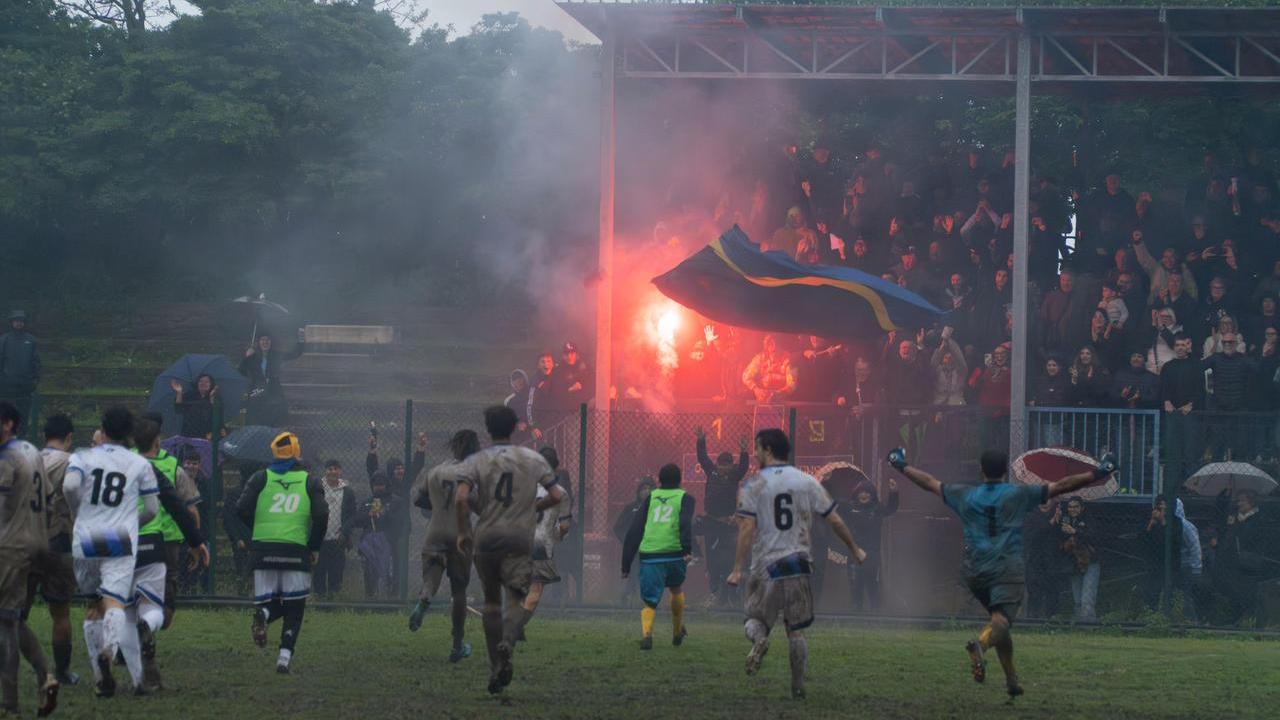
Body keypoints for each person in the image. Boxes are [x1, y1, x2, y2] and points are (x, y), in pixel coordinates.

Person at [886, 445, 1116, 697]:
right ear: (1005, 471)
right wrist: (1099, 472)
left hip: (975, 569)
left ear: (981, 470)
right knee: (1002, 620)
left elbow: (929, 482)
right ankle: (981, 644)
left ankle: (1011, 680)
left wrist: (900, 465)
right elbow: (1062, 485)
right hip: (1006, 567)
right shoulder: (1017, 494)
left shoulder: (965, 495)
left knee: (1000, 621)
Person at [727, 429, 867, 700]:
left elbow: (746, 528)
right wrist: (855, 549)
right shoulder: (807, 481)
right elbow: (834, 519)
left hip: (766, 565)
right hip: (797, 564)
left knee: (755, 620)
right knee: (796, 631)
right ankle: (798, 685)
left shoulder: (753, 485)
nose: (755, 453)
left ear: (768, 450)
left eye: (757, 448)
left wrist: (737, 568)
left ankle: (760, 641)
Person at [454, 405, 564, 695]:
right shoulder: (532, 458)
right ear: (515, 427)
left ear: (488, 429)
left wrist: (464, 530)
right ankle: (508, 643)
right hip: (518, 537)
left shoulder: (477, 460)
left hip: (487, 537)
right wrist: (532, 507)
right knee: (515, 598)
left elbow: (462, 497)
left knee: (491, 603)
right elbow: (556, 495)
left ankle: (495, 666)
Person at [62, 406, 159, 698]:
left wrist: (77, 513)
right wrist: (131, 522)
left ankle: (99, 676)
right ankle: (109, 650)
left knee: (93, 605)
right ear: (129, 433)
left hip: (86, 536)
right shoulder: (140, 463)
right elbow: (152, 509)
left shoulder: (82, 456)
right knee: (115, 602)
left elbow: (70, 486)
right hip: (119, 537)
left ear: (102, 430)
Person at [235, 432, 327, 674]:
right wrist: (314, 546)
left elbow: (241, 508)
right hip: (295, 550)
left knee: (270, 603)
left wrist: (258, 529)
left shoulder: (260, 478)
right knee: (294, 609)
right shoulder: (310, 481)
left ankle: (264, 614)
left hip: (262, 550)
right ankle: (283, 660)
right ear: (297, 453)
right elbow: (321, 515)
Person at [131, 417, 209, 691]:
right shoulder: (172, 467)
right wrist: (196, 541)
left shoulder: (126, 462)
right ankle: (145, 634)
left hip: (131, 539)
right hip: (164, 542)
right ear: (158, 440)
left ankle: (132, 645)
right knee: (162, 610)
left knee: (130, 602)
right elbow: (189, 509)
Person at [0, 401, 58, 716]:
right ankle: (45, 676)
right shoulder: (31, 451)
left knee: (6, 623)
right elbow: (48, 498)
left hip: (9, 546)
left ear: (8, 424)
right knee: (13, 618)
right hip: (36, 543)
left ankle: (10, 703)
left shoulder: (6, 457)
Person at [408, 430, 481, 663]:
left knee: (430, 579)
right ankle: (457, 646)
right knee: (459, 592)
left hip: (435, 532)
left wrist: (439, 505)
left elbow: (418, 499)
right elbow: (480, 505)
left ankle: (424, 599)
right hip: (460, 536)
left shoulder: (436, 471)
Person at [22, 414, 79, 690]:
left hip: (25, 541)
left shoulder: (27, 459)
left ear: (44, 436)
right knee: (61, 612)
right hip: (57, 540)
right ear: (69, 437)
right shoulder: (70, 462)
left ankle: (37, 668)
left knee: (17, 614)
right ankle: (63, 671)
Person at [620, 464, 695, 651]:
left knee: (650, 601)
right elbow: (685, 523)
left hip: (650, 554)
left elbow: (635, 530)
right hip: (674, 552)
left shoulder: (651, 498)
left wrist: (626, 563)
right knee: (676, 589)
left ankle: (647, 635)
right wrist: (687, 549)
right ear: (680, 480)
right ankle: (676, 631)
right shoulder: (686, 498)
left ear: (659, 480)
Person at [695, 427, 749, 608]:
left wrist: (744, 450)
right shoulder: (711, 472)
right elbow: (702, 458)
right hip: (711, 522)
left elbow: (743, 467)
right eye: (721, 464)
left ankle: (731, 597)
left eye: (727, 465)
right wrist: (701, 440)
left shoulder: (734, 476)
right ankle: (714, 594)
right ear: (717, 464)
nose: (723, 468)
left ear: (731, 465)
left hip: (728, 524)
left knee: (730, 559)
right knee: (712, 560)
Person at [522, 447, 573, 632]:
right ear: (556, 467)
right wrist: (557, 536)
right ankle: (516, 626)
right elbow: (564, 526)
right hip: (541, 544)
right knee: (535, 589)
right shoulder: (561, 493)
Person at [839, 477, 899, 613]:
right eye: (861, 492)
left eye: (867, 492)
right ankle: (856, 615)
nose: (864, 495)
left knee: (873, 588)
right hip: (854, 555)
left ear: (872, 495)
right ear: (856, 494)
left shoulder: (877, 509)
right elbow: (832, 506)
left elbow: (891, 509)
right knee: (855, 588)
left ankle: (874, 616)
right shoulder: (849, 508)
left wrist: (894, 492)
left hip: (872, 556)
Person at [238, 332, 304, 427]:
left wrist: (301, 339)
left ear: (271, 342)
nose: (265, 342)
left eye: (267, 340)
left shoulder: (276, 355)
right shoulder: (252, 357)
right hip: (257, 391)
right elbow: (241, 371)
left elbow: (295, 354)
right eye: (262, 340)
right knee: (255, 419)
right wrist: (246, 358)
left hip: (273, 390)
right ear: (258, 342)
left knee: (275, 418)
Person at [313, 460, 355, 599]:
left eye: (335, 469)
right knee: (319, 571)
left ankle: (334, 599)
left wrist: (345, 532)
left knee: (336, 571)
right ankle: (319, 598)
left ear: (340, 471)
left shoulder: (347, 491)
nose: (332, 472)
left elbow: (352, 515)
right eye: (330, 469)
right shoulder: (317, 488)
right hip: (320, 539)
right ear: (325, 471)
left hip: (338, 539)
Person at [612, 477, 656, 608]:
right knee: (633, 572)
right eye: (644, 488)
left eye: (650, 488)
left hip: (652, 548)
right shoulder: (631, 508)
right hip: (635, 549)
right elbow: (618, 527)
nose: (646, 491)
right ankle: (627, 598)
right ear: (638, 491)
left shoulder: (659, 509)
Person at [1059, 498, 1099, 622]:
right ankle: (1078, 623)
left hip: (1090, 560)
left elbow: (1094, 536)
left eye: (1075, 506)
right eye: (1070, 507)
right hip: (1074, 561)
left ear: (1082, 508)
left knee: (1087, 596)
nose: (1072, 509)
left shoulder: (1089, 519)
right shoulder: (1065, 519)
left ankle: (1088, 623)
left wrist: (1075, 531)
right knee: (1077, 597)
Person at [0, 312, 40, 432]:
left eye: (21, 320)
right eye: (16, 320)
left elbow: (36, 362)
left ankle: (22, 437)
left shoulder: (31, 340)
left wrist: (34, 380)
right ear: (12, 322)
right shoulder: (4, 339)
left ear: (24, 323)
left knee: (24, 415)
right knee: (6, 414)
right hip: (7, 386)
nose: (19, 323)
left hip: (25, 386)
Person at [742, 335, 796, 403]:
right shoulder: (760, 359)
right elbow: (746, 376)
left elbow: (792, 384)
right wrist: (756, 389)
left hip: (783, 401)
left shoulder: (788, 359)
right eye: (770, 343)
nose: (774, 346)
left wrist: (778, 393)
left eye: (776, 342)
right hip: (762, 401)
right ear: (766, 346)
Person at [169, 373, 221, 440]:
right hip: (188, 433)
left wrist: (211, 399)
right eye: (201, 381)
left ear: (211, 385)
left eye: (207, 381)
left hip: (206, 435)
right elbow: (178, 409)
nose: (203, 383)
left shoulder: (215, 398)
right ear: (197, 383)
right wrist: (179, 392)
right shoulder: (190, 395)